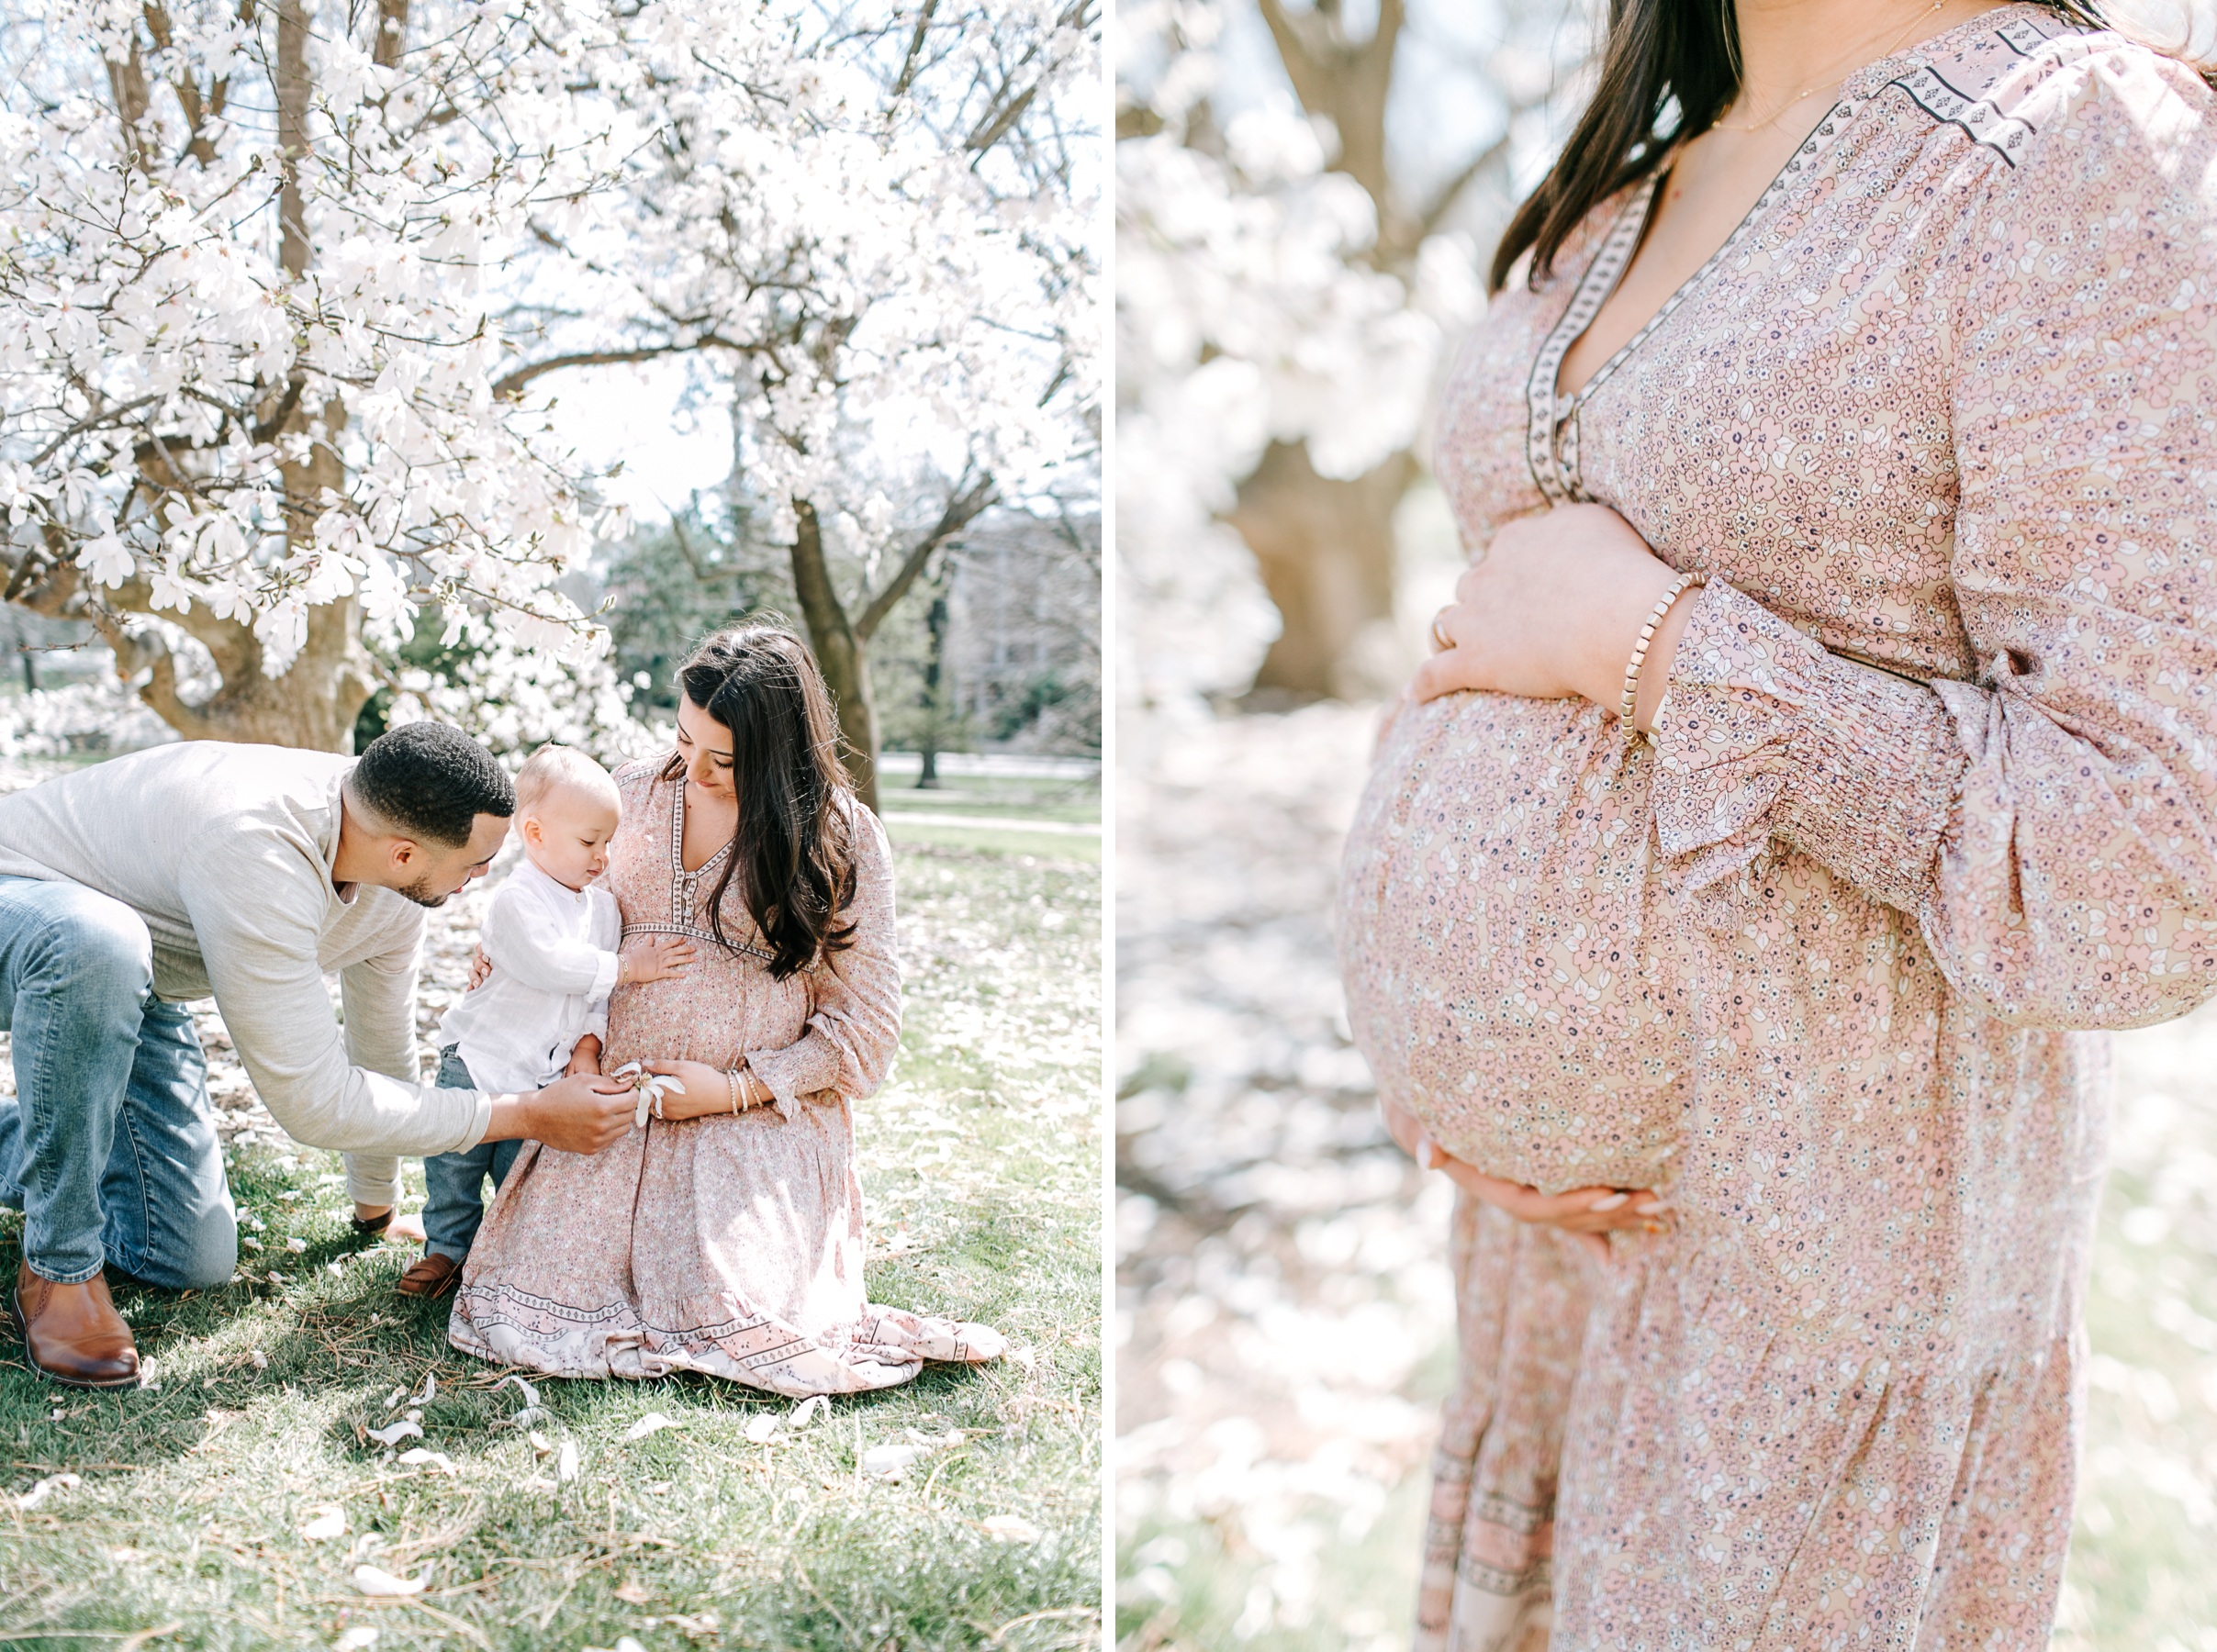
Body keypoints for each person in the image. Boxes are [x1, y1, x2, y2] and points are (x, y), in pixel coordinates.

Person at [1334, 2, 2217, 1646]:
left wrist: (1668, 650)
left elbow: (2157, 861)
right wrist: (1450, 1046)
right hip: (1545, 1269)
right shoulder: (1628, 178)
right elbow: (1510, 620)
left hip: (1819, 1289)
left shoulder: (2082, 154)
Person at [448, 626, 1004, 1394]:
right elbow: (555, 890)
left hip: (752, 1117)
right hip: (611, 1100)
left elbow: (867, 1034)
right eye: (684, 739)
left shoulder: (838, 836)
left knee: (728, 1301)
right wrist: (511, 950)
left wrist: (733, 1089)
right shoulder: (634, 790)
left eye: (726, 760)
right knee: (542, 1304)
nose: (695, 770)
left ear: (779, 755)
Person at [0, 723, 638, 1388]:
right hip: (32, 910)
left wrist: (376, 1203)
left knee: (183, 1253)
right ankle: (59, 1267)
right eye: (474, 862)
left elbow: (381, 1044)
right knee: (97, 942)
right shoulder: (260, 852)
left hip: (133, 982)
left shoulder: (396, 877)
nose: (484, 878)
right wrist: (529, 1114)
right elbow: (312, 1101)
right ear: (401, 854)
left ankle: (51, 1145)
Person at [397, 744, 696, 1299]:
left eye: (609, 841)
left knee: (519, 1170)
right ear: (534, 834)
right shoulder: (516, 900)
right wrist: (631, 966)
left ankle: (502, 1254)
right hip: (482, 1058)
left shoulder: (602, 910)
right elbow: (550, 966)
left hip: (540, 1073)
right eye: (588, 842)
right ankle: (446, 1249)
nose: (602, 856)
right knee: (454, 1164)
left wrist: (587, 1046)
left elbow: (595, 999)